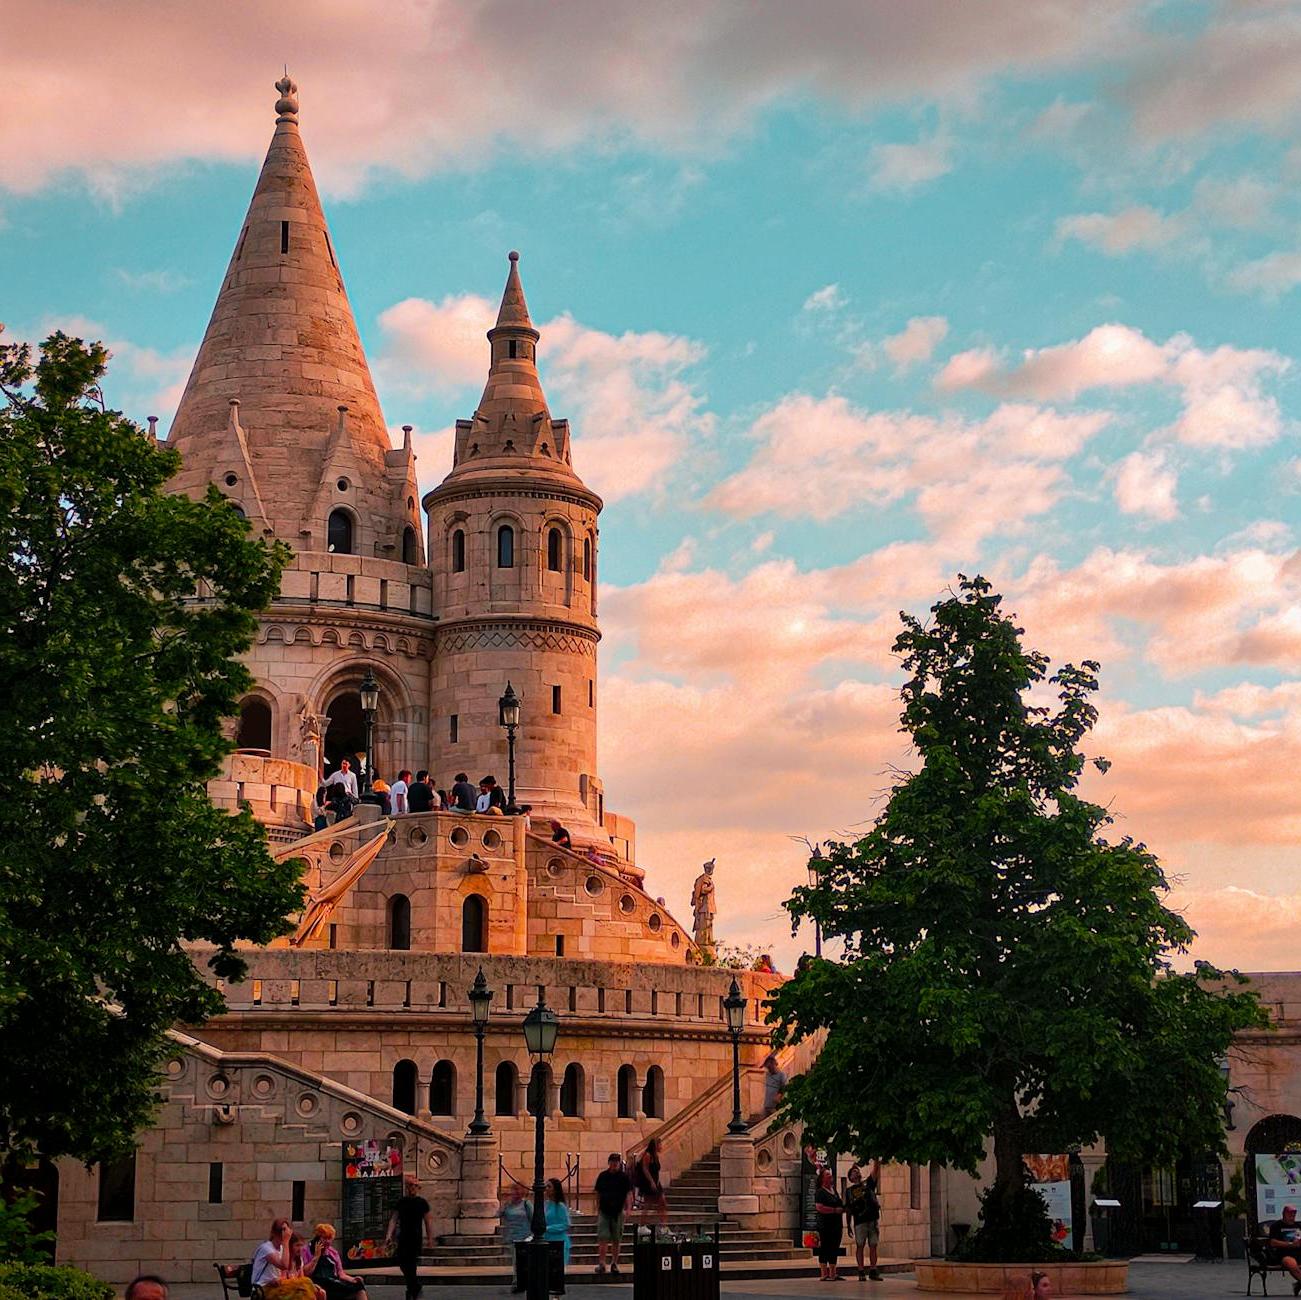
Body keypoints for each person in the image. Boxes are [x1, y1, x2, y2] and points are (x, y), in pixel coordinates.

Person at [385, 1174, 433, 1300]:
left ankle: (411, 1290)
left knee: (411, 1264)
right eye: (411, 1185)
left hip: (415, 1237)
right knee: (402, 1263)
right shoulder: (401, 1202)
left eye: (415, 1185)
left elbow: (428, 1222)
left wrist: (429, 1239)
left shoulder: (422, 1203)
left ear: (418, 1188)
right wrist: (389, 1235)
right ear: (406, 1187)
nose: (413, 1188)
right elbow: (393, 1219)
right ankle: (414, 1287)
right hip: (403, 1237)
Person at [304, 1223, 369, 1300]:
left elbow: (340, 1273)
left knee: (359, 1285)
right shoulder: (306, 1251)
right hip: (317, 1282)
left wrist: (352, 1279)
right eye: (324, 1238)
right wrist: (316, 1257)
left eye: (330, 1238)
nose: (327, 1241)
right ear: (318, 1238)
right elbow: (306, 1273)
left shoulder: (333, 1253)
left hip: (332, 1282)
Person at [593, 1152, 633, 1277]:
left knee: (616, 1239)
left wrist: (628, 1208)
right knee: (603, 1238)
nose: (615, 1164)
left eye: (617, 1162)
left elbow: (628, 1193)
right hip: (604, 1211)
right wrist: (597, 1207)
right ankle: (602, 1263)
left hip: (617, 1211)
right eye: (613, 1162)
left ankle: (614, 1263)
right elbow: (598, 1193)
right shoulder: (603, 1176)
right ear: (609, 1163)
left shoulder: (623, 1177)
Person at [844, 1160, 882, 1281]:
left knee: (873, 1245)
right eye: (853, 1172)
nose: (856, 1173)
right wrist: (849, 1225)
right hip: (860, 1221)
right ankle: (860, 1270)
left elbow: (875, 1172)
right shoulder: (849, 1191)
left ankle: (873, 1269)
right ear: (850, 1177)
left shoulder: (867, 1184)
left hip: (872, 1219)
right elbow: (849, 1209)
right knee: (860, 1245)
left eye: (857, 1171)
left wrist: (877, 1161)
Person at [499, 1186, 532, 1294]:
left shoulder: (526, 1204)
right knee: (516, 1262)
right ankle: (518, 1282)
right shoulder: (509, 1205)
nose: (515, 1193)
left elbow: (532, 1218)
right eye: (513, 1191)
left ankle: (520, 1283)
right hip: (513, 1237)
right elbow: (499, 1214)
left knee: (522, 1262)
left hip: (525, 1237)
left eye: (517, 1191)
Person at [814, 1166, 844, 1281]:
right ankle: (823, 1273)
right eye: (827, 1174)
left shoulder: (834, 1190)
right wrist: (834, 1210)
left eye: (830, 1174)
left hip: (836, 1224)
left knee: (834, 1247)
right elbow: (819, 1208)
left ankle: (833, 1273)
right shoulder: (820, 1192)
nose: (830, 1176)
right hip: (825, 1225)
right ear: (822, 1178)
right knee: (825, 1247)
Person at [1265, 1203, 1301, 1291]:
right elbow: (1273, 1242)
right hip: (1284, 1253)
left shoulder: (1298, 1226)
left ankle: (1299, 1284)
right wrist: (1290, 1245)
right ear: (1284, 1214)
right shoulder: (1276, 1226)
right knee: (1291, 1263)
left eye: (1293, 1215)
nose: (1292, 1217)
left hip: (1298, 1252)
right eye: (1289, 1214)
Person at [251, 1218, 293, 1291]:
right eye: (281, 1230)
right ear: (274, 1233)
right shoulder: (266, 1248)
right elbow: (283, 1265)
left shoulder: (282, 1248)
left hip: (275, 1286)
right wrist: (286, 1242)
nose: (283, 1234)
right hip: (261, 1288)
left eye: (285, 1230)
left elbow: (284, 1272)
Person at [634, 1138, 668, 1226]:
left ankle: (663, 1225)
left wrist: (657, 1181)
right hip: (649, 1182)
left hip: (656, 1182)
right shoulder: (648, 1155)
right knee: (648, 1204)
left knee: (662, 1202)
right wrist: (651, 1181)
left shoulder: (655, 1156)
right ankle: (642, 1225)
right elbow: (645, 1169)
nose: (661, 1146)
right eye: (660, 1144)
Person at [543, 1177, 572, 1278]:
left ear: (555, 1190)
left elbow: (566, 1224)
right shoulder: (545, 1204)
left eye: (549, 1186)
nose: (546, 1189)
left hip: (559, 1243)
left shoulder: (560, 1206)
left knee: (557, 1273)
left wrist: (548, 1228)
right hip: (548, 1241)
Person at [761, 1053, 787, 1117]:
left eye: (770, 1067)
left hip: (775, 1106)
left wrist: (779, 1095)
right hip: (767, 1105)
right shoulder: (768, 1074)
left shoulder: (781, 1075)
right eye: (768, 1068)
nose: (769, 1069)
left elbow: (784, 1087)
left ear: (774, 1065)